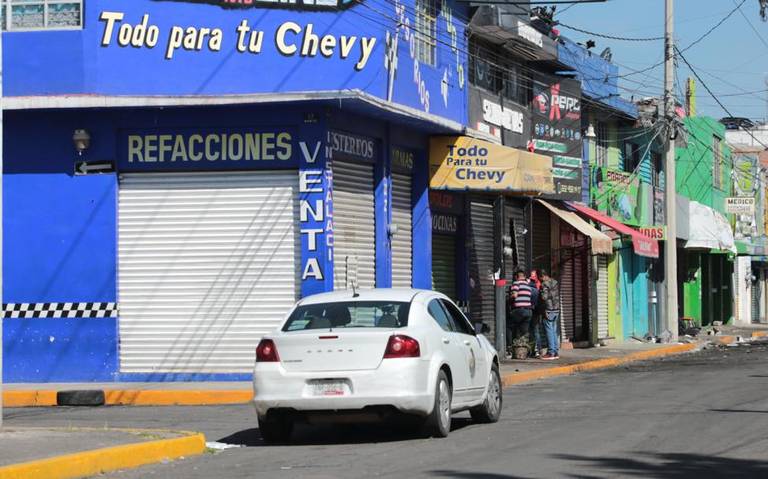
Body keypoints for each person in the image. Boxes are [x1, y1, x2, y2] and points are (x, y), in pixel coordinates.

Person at [507, 269, 534, 357]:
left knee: (509, 327)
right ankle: (523, 352)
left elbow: (514, 295)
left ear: (516, 277)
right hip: (528, 311)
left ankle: (509, 348)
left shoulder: (516, 283)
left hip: (519, 310)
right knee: (523, 332)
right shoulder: (528, 285)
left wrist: (508, 298)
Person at [539, 270, 561, 360]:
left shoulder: (544, 284)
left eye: (540, 277)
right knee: (554, 330)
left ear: (543, 276)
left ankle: (551, 352)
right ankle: (555, 352)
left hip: (549, 309)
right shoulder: (555, 282)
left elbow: (544, 297)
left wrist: (540, 292)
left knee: (549, 330)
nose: (540, 280)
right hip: (556, 309)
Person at [529, 270, 545, 359]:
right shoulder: (538, 288)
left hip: (531, 311)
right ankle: (539, 350)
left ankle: (535, 350)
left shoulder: (529, 288)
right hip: (536, 312)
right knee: (536, 331)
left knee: (533, 331)